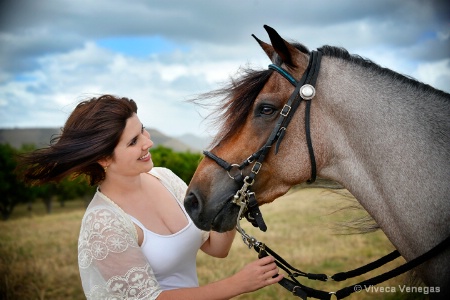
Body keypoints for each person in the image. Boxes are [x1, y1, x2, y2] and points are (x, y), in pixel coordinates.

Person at [18, 94, 283, 299]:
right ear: (103, 158)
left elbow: (216, 247)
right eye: (133, 141)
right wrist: (235, 285)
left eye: (142, 130)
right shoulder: (103, 224)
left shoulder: (164, 178)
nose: (148, 142)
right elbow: (150, 298)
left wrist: (234, 194)